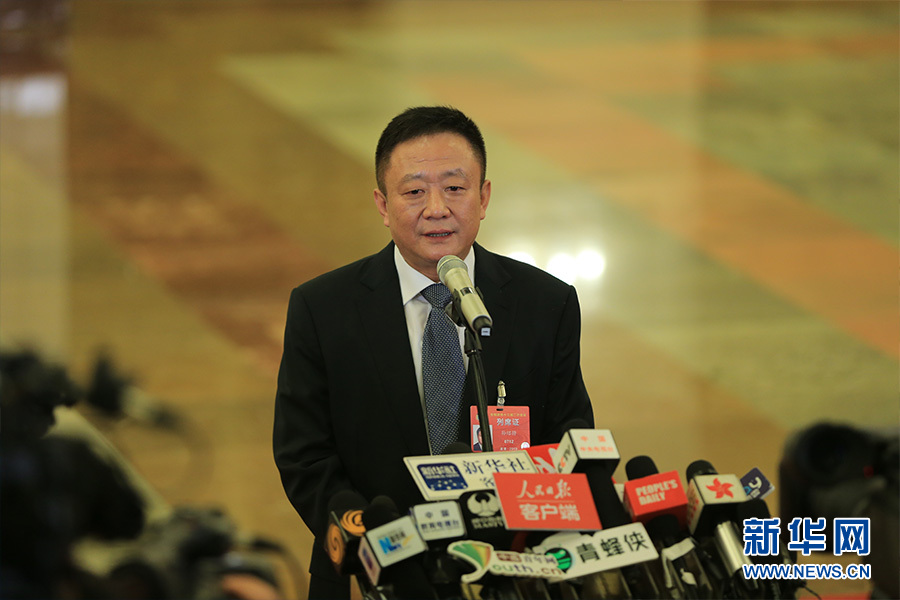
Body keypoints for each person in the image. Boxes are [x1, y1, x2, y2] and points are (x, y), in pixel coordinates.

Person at [273, 106, 594, 599]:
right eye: (414, 192)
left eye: (455, 187)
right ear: (383, 205)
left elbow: (568, 438)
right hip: (372, 577)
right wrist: (378, 546)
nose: (437, 208)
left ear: (484, 197)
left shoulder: (545, 303)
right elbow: (305, 456)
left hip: (510, 575)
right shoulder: (323, 308)